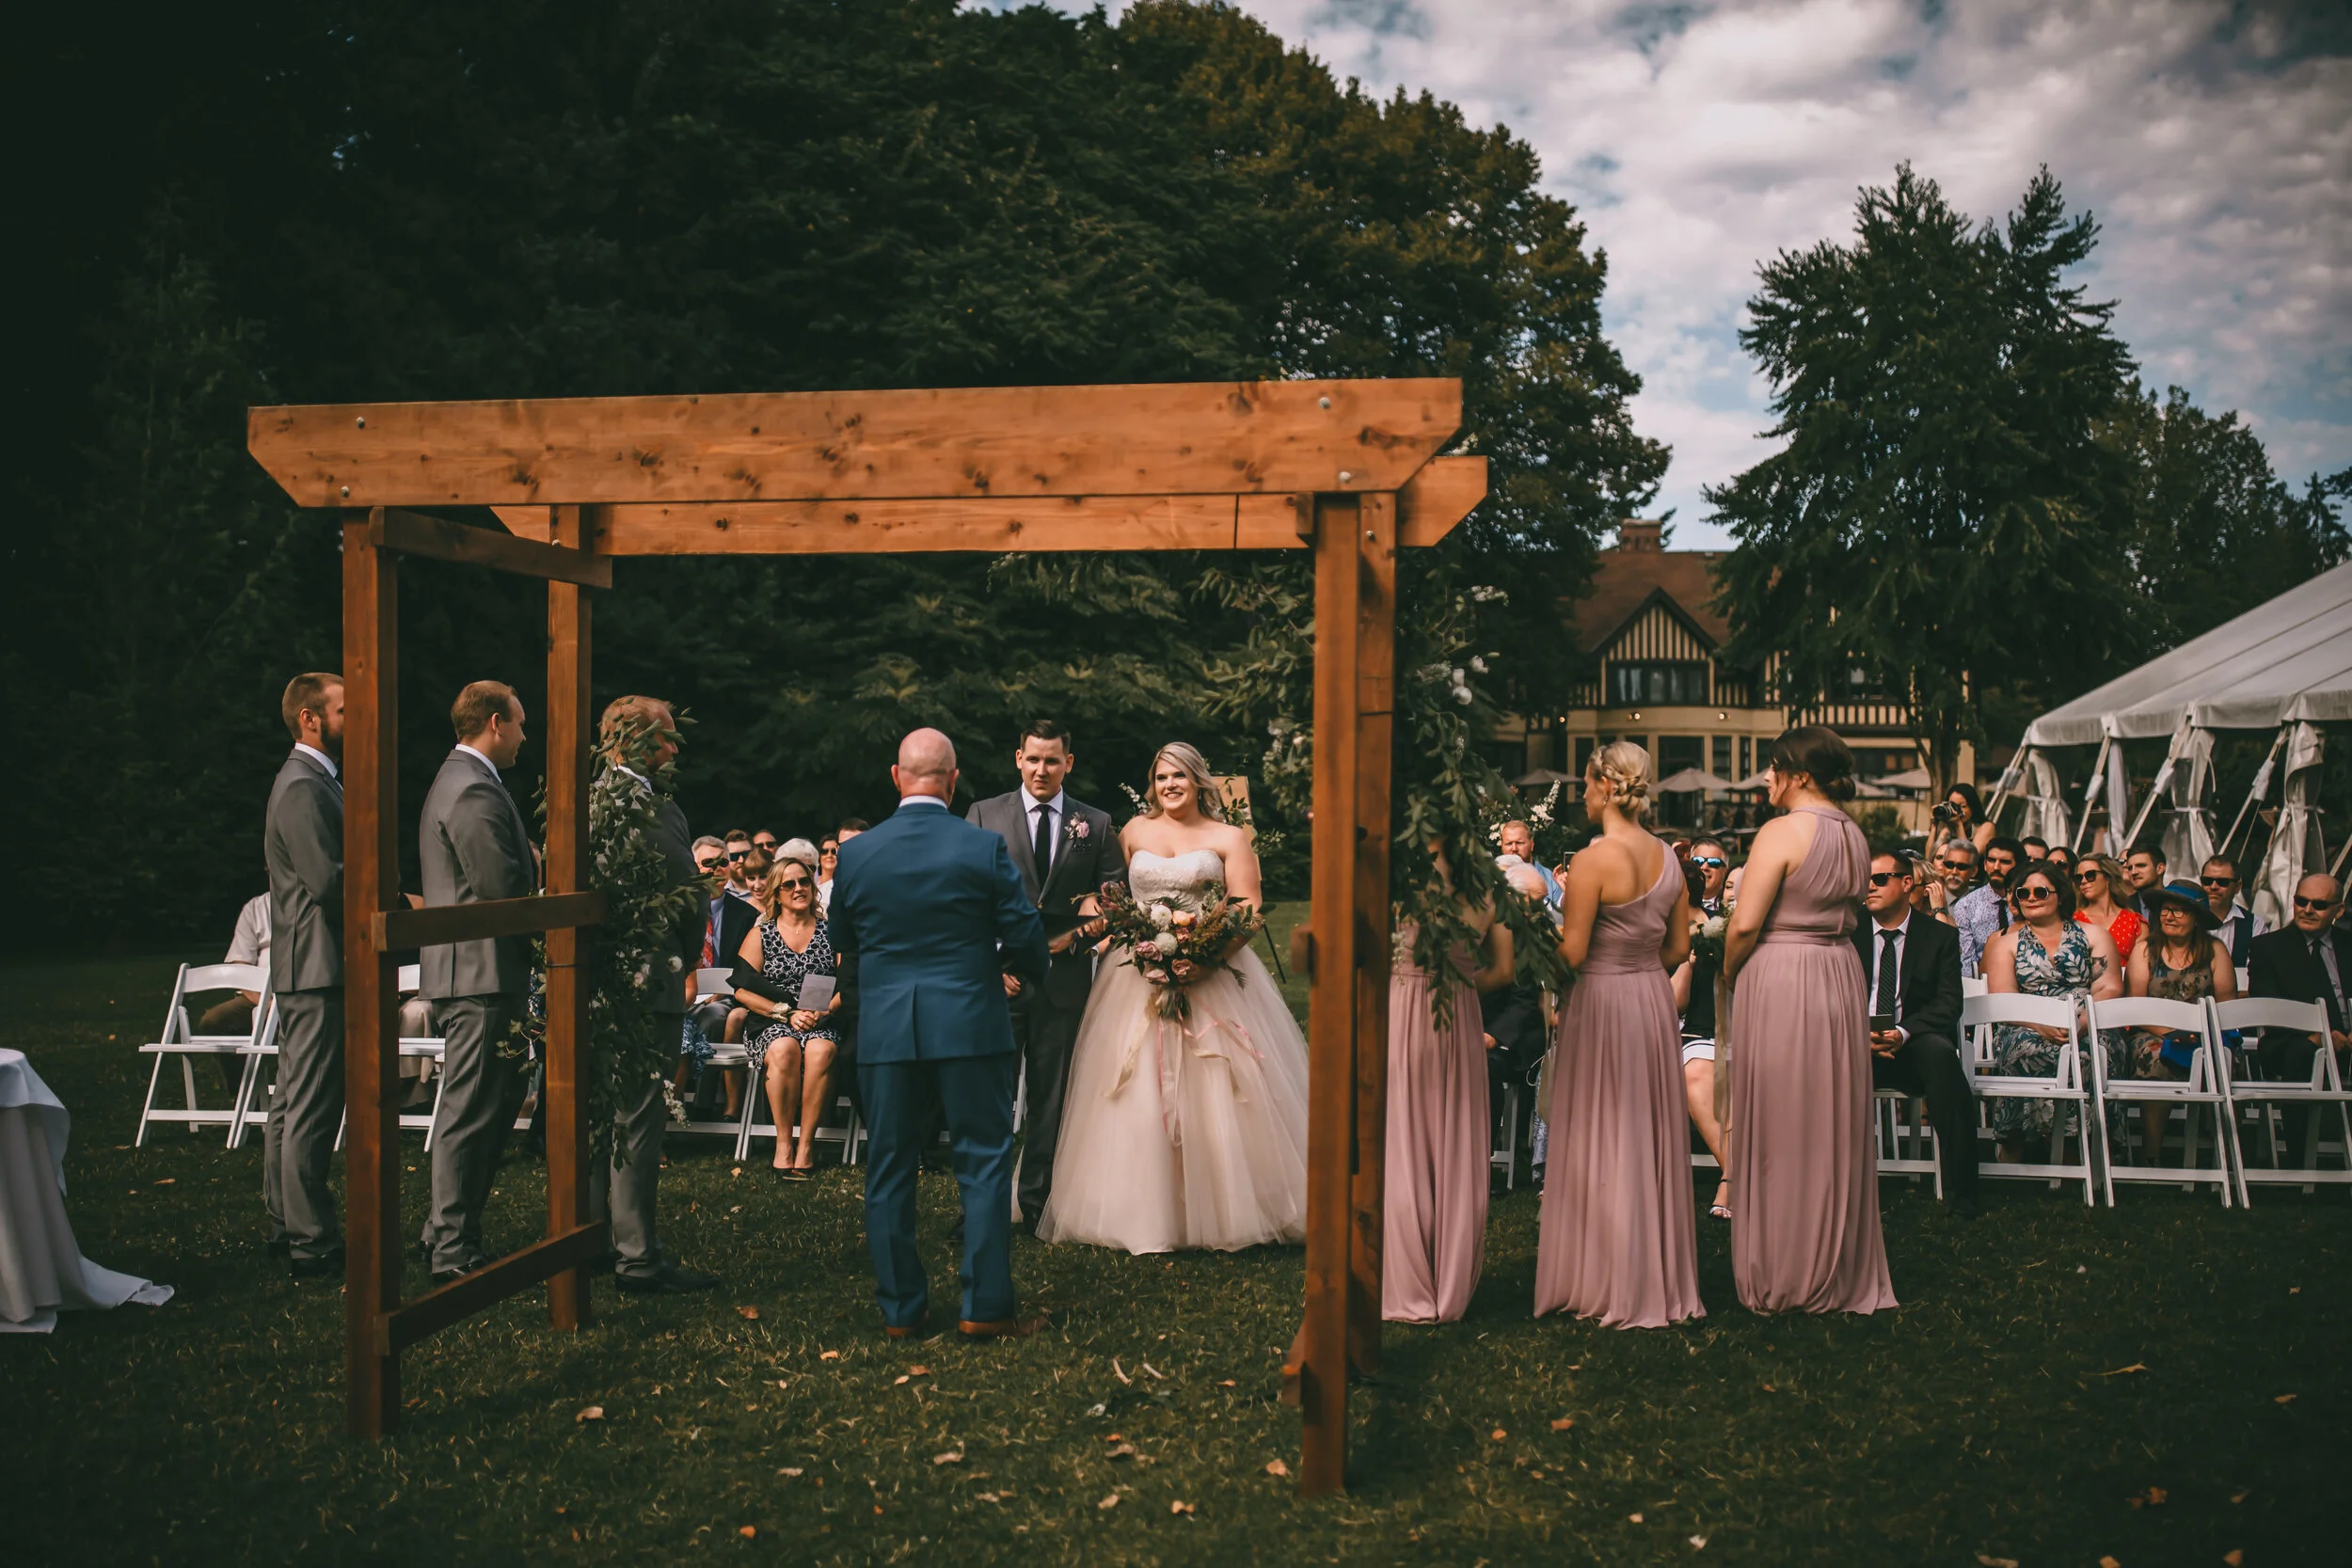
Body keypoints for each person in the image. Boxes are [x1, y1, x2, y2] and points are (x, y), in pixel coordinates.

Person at [1038, 743, 1310, 1254]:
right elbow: (1113, 895)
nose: (1170, 785)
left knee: (1222, 1089)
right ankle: (1136, 1206)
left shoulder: (1229, 837)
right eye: (1161, 777)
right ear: (1153, 783)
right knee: (1129, 1088)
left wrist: (1206, 956)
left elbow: (1248, 907)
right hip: (1133, 975)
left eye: (1179, 776)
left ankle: (1227, 1207)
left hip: (1213, 974)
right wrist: (1118, 934)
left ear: (1199, 780)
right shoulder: (1134, 831)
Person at [830, 729, 1048, 1338]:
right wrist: (1028, 972)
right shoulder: (981, 846)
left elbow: (842, 938)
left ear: (896, 777)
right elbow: (1024, 930)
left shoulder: (855, 854)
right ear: (953, 781)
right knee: (981, 1162)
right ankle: (984, 1307)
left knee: (890, 1166)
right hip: (971, 1021)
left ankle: (902, 1311)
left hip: (887, 1027)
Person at [1723, 725, 1894, 1316]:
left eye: (1773, 767)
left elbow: (1745, 924)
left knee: (1780, 1116)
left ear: (1798, 773)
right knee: (1828, 1119)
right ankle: (1833, 1262)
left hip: (1785, 973)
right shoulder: (1853, 834)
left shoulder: (1782, 831)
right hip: (1838, 973)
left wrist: (1727, 969)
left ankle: (1787, 1271)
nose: (1766, 778)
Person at [1534, 742, 1704, 1327]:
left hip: (1602, 1002)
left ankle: (1602, 1274)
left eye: (1585, 783)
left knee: (1600, 1126)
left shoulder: (1591, 860)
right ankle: (1651, 1270)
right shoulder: (1669, 858)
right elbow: (1679, 949)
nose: (1580, 793)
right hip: (1650, 1001)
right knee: (1645, 1129)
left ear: (1607, 786)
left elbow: (1572, 953)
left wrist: (1533, 938)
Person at [966, 721, 1126, 1223]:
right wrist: (990, 966)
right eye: (1033, 759)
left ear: (1068, 764)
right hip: (998, 983)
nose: (1041, 769)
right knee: (987, 1101)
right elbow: (965, 898)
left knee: (1050, 1100)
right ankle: (981, 1206)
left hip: (1064, 983)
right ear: (1018, 759)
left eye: (1052, 760)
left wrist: (1079, 936)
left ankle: (1035, 1204)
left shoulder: (1095, 824)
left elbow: (1115, 901)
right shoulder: (983, 815)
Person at [593, 695, 721, 1294]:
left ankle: (594, 1239)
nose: (675, 749)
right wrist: (691, 946)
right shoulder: (649, 805)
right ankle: (637, 1257)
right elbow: (687, 890)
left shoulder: (591, 798)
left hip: (599, 981)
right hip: (647, 981)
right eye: (667, 739)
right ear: (636, 742)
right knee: (639, 1120)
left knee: (604, 1118)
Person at [416, 681, 538, 1283]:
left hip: (479, 971)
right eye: (519, 723)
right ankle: (452, 1245)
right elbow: (502, 889)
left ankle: (445, 1230)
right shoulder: (470, 787)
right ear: (495, 722)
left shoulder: (467, 780)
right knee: (472, 1110)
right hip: (479, 973)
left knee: (484, 1106)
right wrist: (537, 867)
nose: (524, 734)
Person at [1384, 838, 1515, 1323]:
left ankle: (1407, 1277)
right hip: (1458, 1015)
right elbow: (1502, 970)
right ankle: (1451, 1282)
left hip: (1403, 1010)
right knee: (1454, 1140)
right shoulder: (1486, 881)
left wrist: (1411, 978)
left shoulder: (1396, 876)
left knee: (1406, 1140)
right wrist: (1455, 980)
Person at [262, 673, 346, 1277]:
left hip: (305, 963)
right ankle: (311, 1239)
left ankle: (285, 1220)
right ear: (310, 719)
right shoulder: (302, 785)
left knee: (292, 1101)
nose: (359, 720)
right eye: (348, 710)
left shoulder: (312, 780)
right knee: (311, 1105)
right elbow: (328, 881)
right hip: (317, 964)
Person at [1856, 852, 1979, 1216]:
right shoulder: (1849, 931)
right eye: (1865, 879)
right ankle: (1818, 1184)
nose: (1869, 886)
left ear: (1907, 883)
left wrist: (1901, 1032)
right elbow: (1826, 995)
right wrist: (1858, 1033)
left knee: (1942, 1057)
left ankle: (1965, 1191)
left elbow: (1948, 1003)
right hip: (1854, 1040)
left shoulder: (1939, 936)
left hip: (1913, 1039)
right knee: (1814, 1059)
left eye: (1880, 879)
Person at [1981, 861, 2124, 1164]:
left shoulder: (2094, 935)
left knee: (2090, 1054)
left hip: (2087, 1020)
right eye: (2023, 892)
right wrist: (2043, 1026)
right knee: (2025, 1050)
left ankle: (2077, 1151)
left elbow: (2109, 987)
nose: (2031, 897)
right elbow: (2003, 998)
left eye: (2040, 891)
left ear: (2060, 895)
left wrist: (2082, 1023)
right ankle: (2015, 1144)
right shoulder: (2005, 944)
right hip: (2025, 1024)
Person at [735, 844, 843, 1177]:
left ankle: (807, 1145)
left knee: (821, 1050)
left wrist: (823, 1012)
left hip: (821, 1016)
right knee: (784, 1048)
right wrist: (785, 1013)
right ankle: (784, 1143)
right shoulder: (762, 933)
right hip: (773, 1019)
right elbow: (741, 989)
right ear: (776, 894)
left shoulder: (832, 932)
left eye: (805, 882)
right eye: (789, 884)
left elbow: (850, 983)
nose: (799, 888)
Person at [2122, 879, 2237, 1165]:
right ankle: (2152, 1155)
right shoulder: (2145, 950)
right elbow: (2134, 1006)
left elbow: (2227, 1005)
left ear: (2196, 918)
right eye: (2164, 910)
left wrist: (2198, 1034)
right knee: (2158, 1058)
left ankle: (2219, 1156)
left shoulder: (2215, 950)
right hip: (2153, 1032)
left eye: (2178, 911)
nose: (2168, 916)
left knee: (2221, 1058)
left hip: (2206, 1034)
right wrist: (2172, 1033)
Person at [2246, 874, 2352, 1161]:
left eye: (2318, 904)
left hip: (2347, 1039)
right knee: (2302, 1053)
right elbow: (2266, 1004)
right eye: (2301, 901)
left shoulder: (2349, 944)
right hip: (2292, 1040)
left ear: (2338, 911)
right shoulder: (2267, 947)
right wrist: (2317, 1034)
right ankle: (2299, 1157)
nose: (2307, 909)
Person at [1670, 836, 1731, 1218]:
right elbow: (1673, 1001)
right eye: (1698, 862)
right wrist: (1688, 960)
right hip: (1682, 1030)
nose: (1705, 868)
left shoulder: (1728, 923)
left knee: (1716, 1072)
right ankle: (1735, 1175)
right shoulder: (1660, 928)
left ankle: (1731, 1177)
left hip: (1721, 1027)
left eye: (1713, 863)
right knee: (1698, 1074)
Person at [1948, 836, 2023, 978]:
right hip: (1983, 983)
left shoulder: (2028, 900)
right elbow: (1967, 960)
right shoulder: (1966, 905)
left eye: (2005, 862)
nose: (1996, 867)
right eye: (1991, 860)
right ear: (1984, 864)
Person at [2074, 852, 2144, 963]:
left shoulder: (2135, 923)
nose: (2083, 881)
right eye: (2078, 878)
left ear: (2108, 877)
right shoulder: (2071, 922)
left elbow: (2143, 967)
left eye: (2090, 875)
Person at [2201, 855, 2265, 966]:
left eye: (2222, 882)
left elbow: (2260, 968)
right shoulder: (2188, 919)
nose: (2213, 886)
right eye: (2207, 881)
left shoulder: (2255, 926)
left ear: (2238, 886)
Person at [1498, 819, 1563, 918]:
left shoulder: (1551, 878)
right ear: (1502, 846)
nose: (1514, 848)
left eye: (1519, 843)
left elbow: (1560, 916)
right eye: (1509, 844)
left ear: (1532, 845)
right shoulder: (1493, 877)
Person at [1928, 780, 1995, 860]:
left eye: (1962, 806)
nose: (1957, 810)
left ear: (1972, 807)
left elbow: (1969, 858)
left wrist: (1958, 825)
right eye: (1953, 806)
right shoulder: (1947, 831)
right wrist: (1934, 825)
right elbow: (1929, 857)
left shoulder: (1986, 827)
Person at [2124, 844, 2169, 921]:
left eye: (2141, 866)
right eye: (2130, 868)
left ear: (2160, 869)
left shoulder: (2177, 903)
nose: (2133, 872)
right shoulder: (2123, 906)